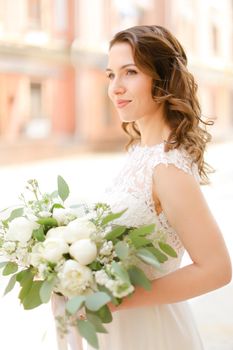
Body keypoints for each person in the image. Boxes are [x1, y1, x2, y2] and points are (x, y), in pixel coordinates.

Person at [52, 25, 232, 350]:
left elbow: (217, 269)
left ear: (161, 78)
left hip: (149, 332)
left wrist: (116, 300)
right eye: (110, 75)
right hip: (116, 330)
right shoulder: (139, 152)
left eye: (130, 72)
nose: (115, 88)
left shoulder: (167, 167)